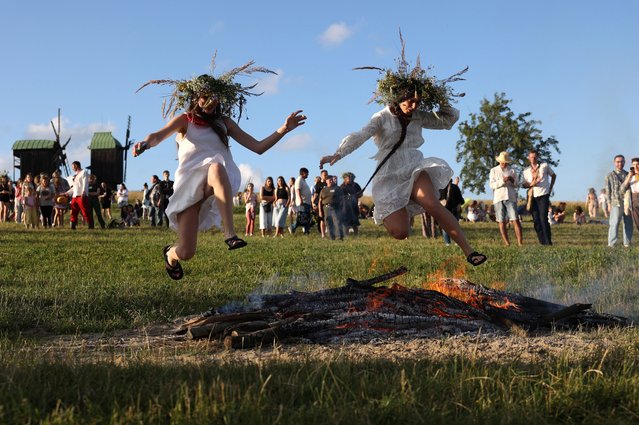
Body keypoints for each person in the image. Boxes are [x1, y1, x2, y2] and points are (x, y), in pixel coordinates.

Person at [134, 61, 306, 280]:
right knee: (186, 252)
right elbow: (158, 135)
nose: (212, 102)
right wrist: (145, 144)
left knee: (216, 166)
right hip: (189, 188)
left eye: (216, 98)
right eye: (206, 97)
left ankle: (230, 234)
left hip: (214, 183)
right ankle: (170, 253)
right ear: (197, 97)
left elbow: (258, 147)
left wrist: (284, 129)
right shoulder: (185, 120)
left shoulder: (224, 123)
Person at [319, 46, 486, 265]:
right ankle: (398, 210)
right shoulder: (381, 117)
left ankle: (469, 252)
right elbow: (361, 135)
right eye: (409, 101)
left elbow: (446, 121)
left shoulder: (418, 115)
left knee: (433, 204)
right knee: (401, 232)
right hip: (389, 174)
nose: (413, 106)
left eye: (417, 101)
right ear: (397, 98)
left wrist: (441, 98)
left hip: (413, 166)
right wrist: (339, 153)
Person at [522, 149, 556, 245]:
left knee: (543, 218)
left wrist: (550, 188)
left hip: (543, 194)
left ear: (537, 157)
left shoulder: (544, 166)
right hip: (532, 196)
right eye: (531, 157)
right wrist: (531, 184)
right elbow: (523, 184)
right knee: (536, 220)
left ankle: (548, 241)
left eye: (535, 157)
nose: (533, 159)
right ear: (528, 158)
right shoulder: (526, 171)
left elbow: (554, 175)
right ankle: (542, 241)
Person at [489, 152, 523, 246]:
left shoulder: (512, 170)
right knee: (501, 220)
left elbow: (517, 184)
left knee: (515, 219)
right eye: (503, 162)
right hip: (498, 197)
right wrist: (502, 181)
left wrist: (512, 180)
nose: (504, 163)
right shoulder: (494, 170)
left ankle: (520, 243)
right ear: (500, 161)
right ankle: (507, 243)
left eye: (506, 162)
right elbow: (492, 185)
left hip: (510, 197)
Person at [604, 154, 632, 247]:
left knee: (628, 223)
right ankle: (611, 244)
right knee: (614, 223)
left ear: (624, 162)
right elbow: (607, 191)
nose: (620, 163)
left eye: (622, 161)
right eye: (618, 162)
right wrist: (608, 204)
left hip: (628, 202)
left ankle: (627, 244)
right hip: (616, 202)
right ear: (614, 162)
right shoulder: (609, 175)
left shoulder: (628, 174)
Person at [65, 161, 95, 230]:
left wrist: (83, 192)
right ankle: (73, 226)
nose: (72, 168)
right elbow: (75, 187)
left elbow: (85, 183)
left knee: (85, 211)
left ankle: (90, 226)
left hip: (81, 195)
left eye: (72, 166)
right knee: (73, 211)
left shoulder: (84, 172)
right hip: (75, 196)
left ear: (76, 165)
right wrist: (67, 193)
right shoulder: (76, 175)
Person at [319, 174, 345, 240]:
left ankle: (340, 237)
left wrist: (343, 208)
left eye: (331, 180)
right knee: (328, 223)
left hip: (335, 207)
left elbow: (342, 199)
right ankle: (331, 238)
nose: (330, 181)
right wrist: (320, 211)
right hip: (326, 208)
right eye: (329, 180)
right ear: (326, 181)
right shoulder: (323, 190)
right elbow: (320, 201)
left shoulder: (337, 189)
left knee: (337, 222)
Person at [290, 167, 313, 234]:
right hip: (303, 202)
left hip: (307, 202)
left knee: (307, 218)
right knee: (302, 218)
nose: (308, 174)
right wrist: (300, 199)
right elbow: (297, 189)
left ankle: (306, 232)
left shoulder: (303, 180)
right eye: (307, 173)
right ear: (303, 173)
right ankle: (292, 227)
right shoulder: (299, 180)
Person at [623, 157, 639, 232]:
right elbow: (623, 188)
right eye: (634, 164)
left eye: (638, 164)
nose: (635, 166)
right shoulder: (630, 176)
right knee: (637, 222)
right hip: (634, 198)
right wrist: (629, 176)